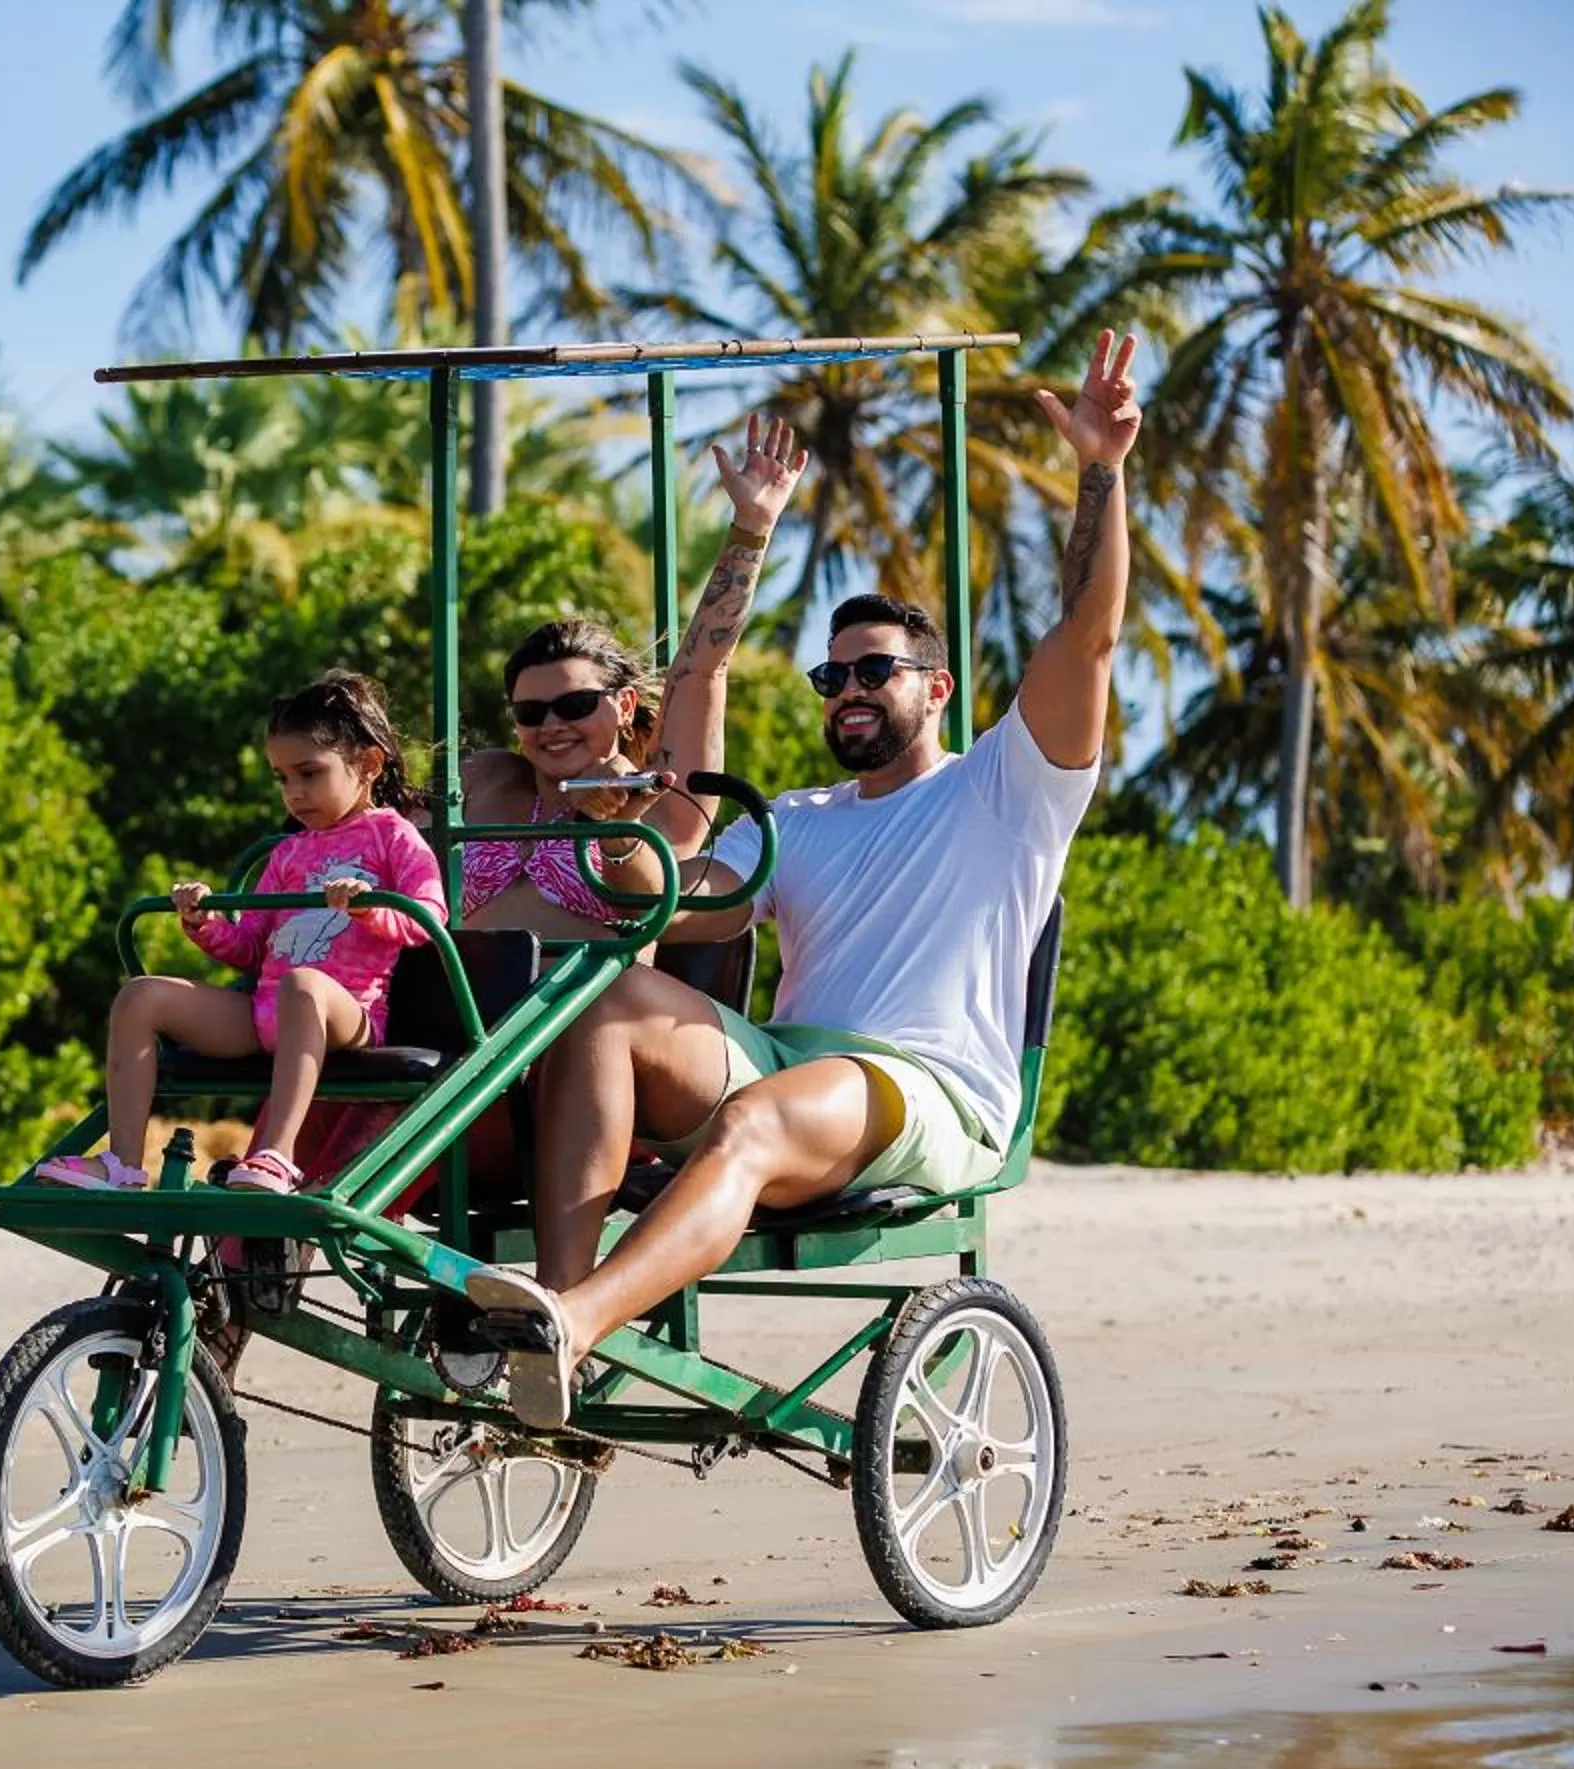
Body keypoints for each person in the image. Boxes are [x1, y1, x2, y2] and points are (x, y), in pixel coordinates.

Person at [468, 330, 1146, 1430]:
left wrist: (1100, 470)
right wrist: (615, 828)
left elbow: (1091, 635)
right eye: (834, 675)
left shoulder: (1008, 789)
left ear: (937, 688)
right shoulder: (795, 818)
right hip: (792, 1060)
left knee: (757, 1122)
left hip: (922, 1085)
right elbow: (689, 904)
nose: (848, 690)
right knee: (598, 1002)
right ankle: (554, 1318)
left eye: (876, 670)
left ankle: (580, 1318)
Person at [38, 673, 445, 1196]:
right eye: (282, 778)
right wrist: (203, 924)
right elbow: (254, 947)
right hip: (266, 1013)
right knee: (139, 997)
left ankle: (275, 1154)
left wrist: (367, 911)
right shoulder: (289, 851)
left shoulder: (394, 837)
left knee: (303, 983)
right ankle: (122, 1163)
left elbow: (428, 917)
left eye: (309, 774)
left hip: (348, 1015)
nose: (294, 793)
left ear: (367, 765)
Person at [459, 416, 812, 941]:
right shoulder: (487, 778)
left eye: (575, 705)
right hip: (462, 1010)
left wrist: (751, 529)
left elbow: (700, 670)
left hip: (590, 1008)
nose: (552, 723)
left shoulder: (657, 794)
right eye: (531, 712)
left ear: (624, 706)